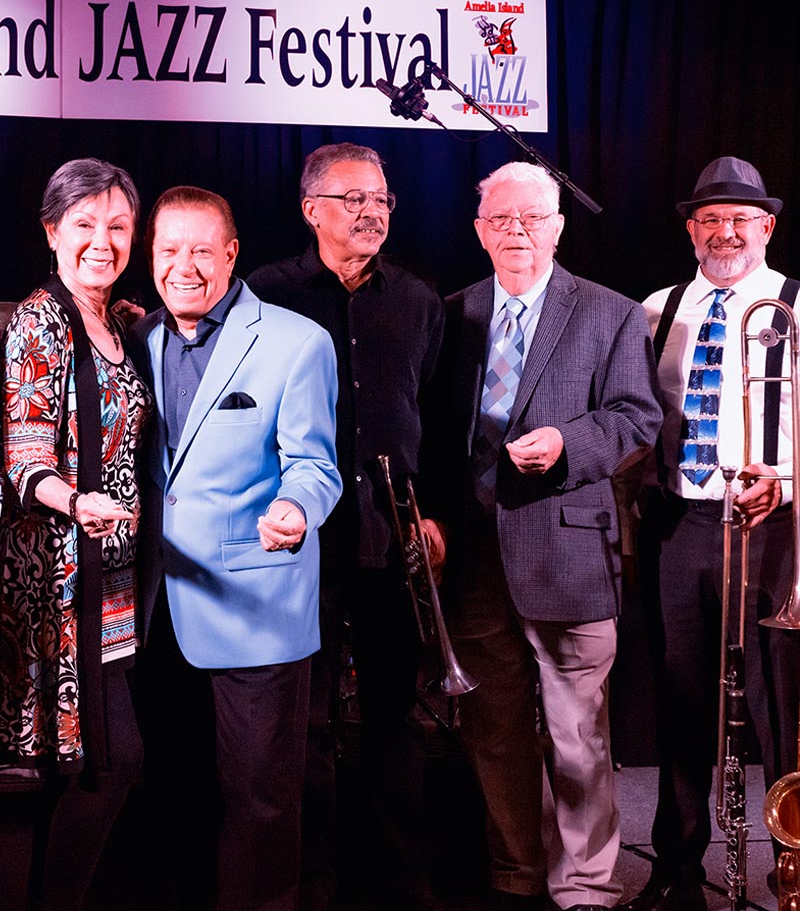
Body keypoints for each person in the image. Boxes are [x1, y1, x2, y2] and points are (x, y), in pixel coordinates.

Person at [440, 160, 662, 911]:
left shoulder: (610, 313)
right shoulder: (453, 313)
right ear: (480, 231)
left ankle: (586, 886)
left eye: (533, 218)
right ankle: (517, 874)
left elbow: (637, 417)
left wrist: (568, 443)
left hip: (570, 553)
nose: (518, 231)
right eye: (502, 219)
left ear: (558, 228)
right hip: (474, 563)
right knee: (494, 731)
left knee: (578, 736)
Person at [247, 143, 447, 911]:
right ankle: (312, 878)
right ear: (311, 210)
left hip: (391, 538)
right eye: (353, 198)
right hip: (300, 541)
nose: (372, 212)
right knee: (303, 719)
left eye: (382, 199)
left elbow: (436, 416)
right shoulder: (263, 294)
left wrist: (434, 512)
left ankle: (398, 877)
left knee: (396, 716)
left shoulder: (420, 300)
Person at [132, 185, 341, 911]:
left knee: (261, 800)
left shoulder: (296, 341)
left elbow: (315, 465)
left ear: (231, 254)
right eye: (168, 250)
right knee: (172, 792)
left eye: (201, 250)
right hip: (156, 612)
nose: (183, 266)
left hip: (255, 605)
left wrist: (295, 507)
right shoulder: (137, 339)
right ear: (150, 256)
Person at [618, 156, 800, 911]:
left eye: (741, 218)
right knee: (682, 696)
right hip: (682, 520)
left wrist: (784, 477)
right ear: (691, 230)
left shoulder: (796, 305)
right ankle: (677, 866)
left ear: (768, 226)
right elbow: (632, 418)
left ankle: (793, 863)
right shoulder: (656, 310)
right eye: (710, 219)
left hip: (775, 524)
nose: (726, 232)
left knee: (780, 703)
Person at [0, 158, 152, 911]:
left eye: (118, 226)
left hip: (114, 582)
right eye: (84, 224)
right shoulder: (41, 319)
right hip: (57, 585)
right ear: (51, 231)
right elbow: (23, 454)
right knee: (77, 769)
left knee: (97, 767)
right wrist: (75, 499)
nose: (103, 240)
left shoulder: (122, 322)